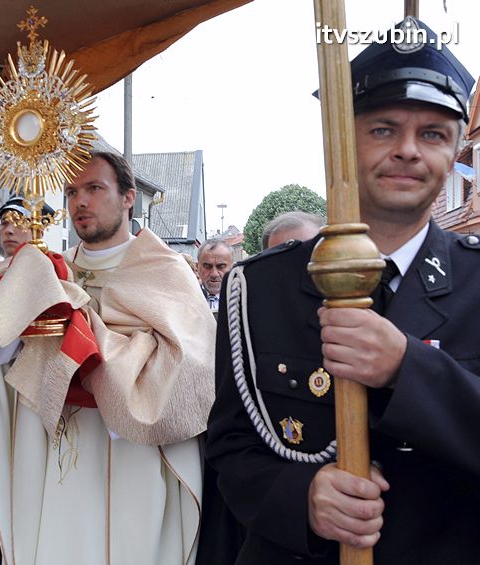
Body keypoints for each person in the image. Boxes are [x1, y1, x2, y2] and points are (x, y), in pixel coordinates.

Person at [205, 17, 479, 564]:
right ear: (341, 141)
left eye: (432, 134)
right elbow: (229, 448)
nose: (407, 150)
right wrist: (300, 499)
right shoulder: (259, 287)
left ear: (455, 155)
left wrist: (408, 369)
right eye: (383, 129)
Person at [0, 151, 217, 564]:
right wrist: (13, 308)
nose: (80, 202)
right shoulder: (50, 269)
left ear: (129, 198)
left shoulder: (166, 271)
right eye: (72, 192)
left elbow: (190, 369)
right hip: (49, 444)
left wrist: (87, 333)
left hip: (133, 451)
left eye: (94, 189)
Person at [197, 239, 233, 312]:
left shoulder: (242, 300)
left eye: (221, 266)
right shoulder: (186, 298)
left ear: (233, 268)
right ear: (197, 267)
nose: (214, 274)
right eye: (207, 266)